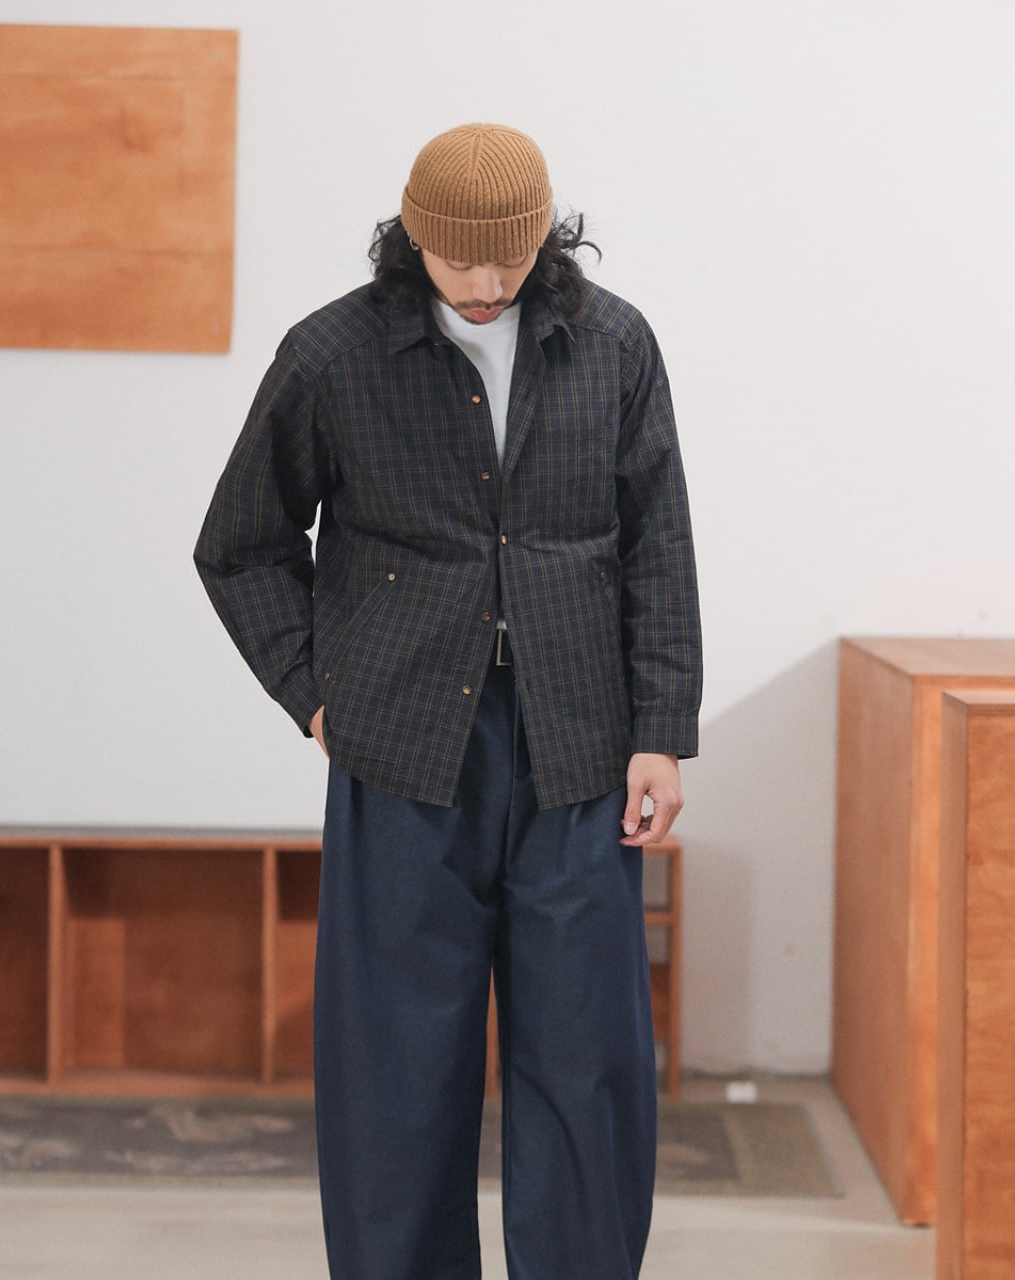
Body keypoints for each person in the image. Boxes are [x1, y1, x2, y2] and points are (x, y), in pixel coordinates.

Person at [194, 122, 701, 1280]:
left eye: (508, 256)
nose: (483, 281)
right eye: (458, 255)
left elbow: (657, 540)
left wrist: (661, 731)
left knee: (584, 1058)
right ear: (412, 235)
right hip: (404, 749)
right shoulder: (332, 355)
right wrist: (314, 696)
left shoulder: (613, 345)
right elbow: (240, 544)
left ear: (544, 237)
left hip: (579, 747)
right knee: (395, 1064)